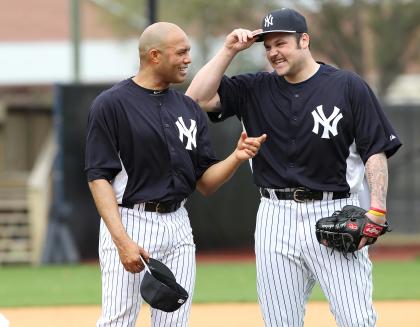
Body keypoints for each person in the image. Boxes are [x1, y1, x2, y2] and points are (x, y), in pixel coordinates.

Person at [186, 7, 401, 327]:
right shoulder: (253, 88)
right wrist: (229, 50)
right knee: (279, 321)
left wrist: (377, 210)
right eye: (267, 46)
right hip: (275, 216)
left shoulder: (347, 86)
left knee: (357, 319)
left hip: (335, 211)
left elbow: (375, 151)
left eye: (281, 43)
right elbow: (195, 100)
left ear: (304, 40)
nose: (273, 52)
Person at [84, 22, 266, 327]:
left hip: (178, 224)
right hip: (131, 220)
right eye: (181, 52)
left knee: (175, 321)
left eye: (188, 52)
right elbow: (98, 177)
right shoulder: (112, 105)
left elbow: (205, 183)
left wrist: (237, 156)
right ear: (155, 56)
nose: (188, 59)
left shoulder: (188, 108)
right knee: (118, 319)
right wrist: (121, 240)